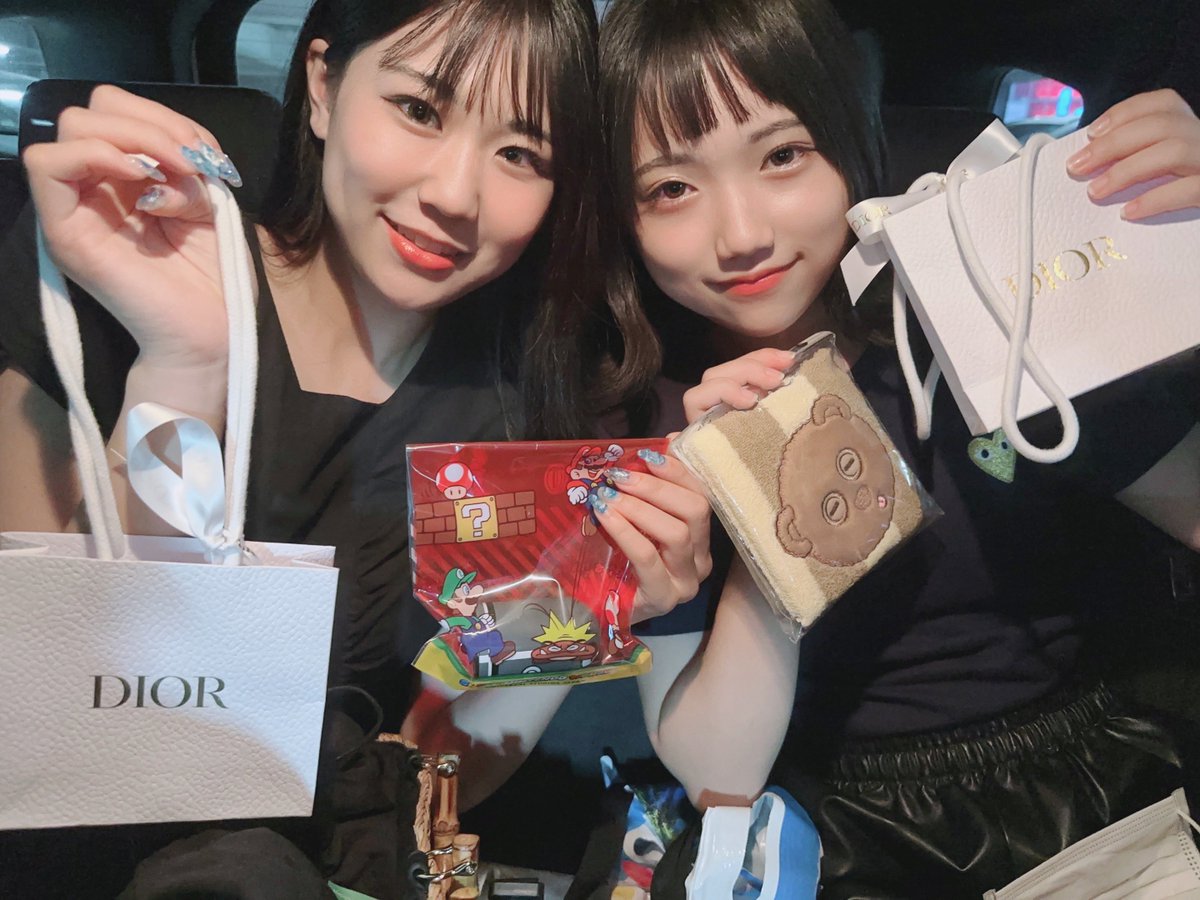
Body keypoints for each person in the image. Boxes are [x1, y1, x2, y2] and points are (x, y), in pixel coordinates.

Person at [0, 0, 710, 893]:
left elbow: (434, 778)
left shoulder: (521, 404)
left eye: (520, 155)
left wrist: (586, 608)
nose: (455, 194)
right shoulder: (130, 267)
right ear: (323, 85)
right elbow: (41, 690)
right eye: (419, 109)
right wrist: (184, 367)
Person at [599, 0, 1200, 895]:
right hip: (833, 839)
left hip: (1083, 806)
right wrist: (767, 501)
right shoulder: (653, 427)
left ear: (852, 142)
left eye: (782, 155)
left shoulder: (982, 311)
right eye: (671, 189)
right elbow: (720, 775)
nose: (742, 235)